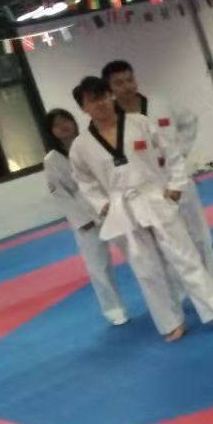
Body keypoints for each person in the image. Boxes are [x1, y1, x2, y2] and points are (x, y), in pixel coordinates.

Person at [69, 76, 213, 342]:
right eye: (93, 100)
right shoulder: (81, 146)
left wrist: (175, 185)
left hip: (154, 196)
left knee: (185, 257)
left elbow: (171, 153)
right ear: (83, 107)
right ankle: (172, 322)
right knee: (147, 268)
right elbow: (84, 181)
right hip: (123, 208)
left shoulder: (139, 122)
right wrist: (103, 205)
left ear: (111, 97)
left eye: (103, 96)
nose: (101, 104)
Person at [102, 58, 213, 300]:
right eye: (118, 83)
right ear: (109, 89)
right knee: (165, 242)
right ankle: (183, 293)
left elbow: (190, 121)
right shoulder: (112, 123)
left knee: (198, 234)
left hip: (177, 177)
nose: (127, 86)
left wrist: (179, 153)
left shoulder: (159, 104)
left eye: (129, 79)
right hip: (148, 188)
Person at [43, 108, 127, 326]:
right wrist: (81, 221)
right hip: (83, 215)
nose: (63, 126)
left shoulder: (88, 143)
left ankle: (165, 292)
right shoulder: (52, 160)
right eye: (57, 125)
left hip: (108, 204)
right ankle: (114, 309)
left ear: (74, 121)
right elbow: (60, 195)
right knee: (98, 267)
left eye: (66, 120)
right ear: (51, 131)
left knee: (136, 252)